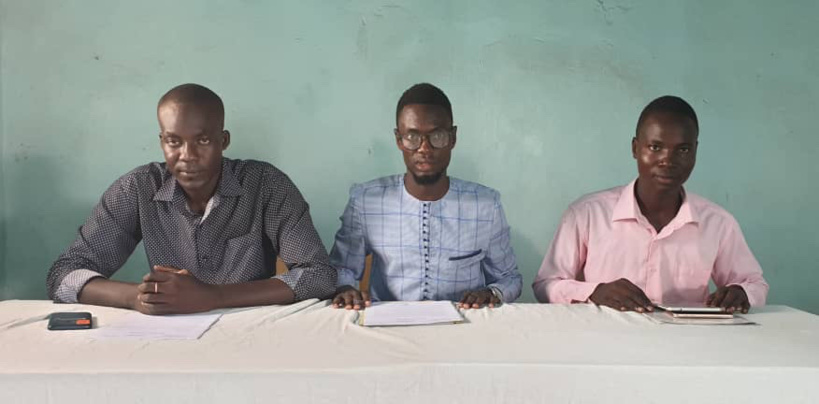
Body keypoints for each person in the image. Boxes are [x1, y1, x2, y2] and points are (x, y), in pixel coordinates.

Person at [47, 83, 336, 314]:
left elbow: (319, 275)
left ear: (223, 141)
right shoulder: (137, 189)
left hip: (249, 329)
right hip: (169, 338)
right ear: (162, 141)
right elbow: (63, 276)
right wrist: (138, 297)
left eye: (203, 140)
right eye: (174, 141)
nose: (187, 156)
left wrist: (213, 296)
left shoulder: (265, 185)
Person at [532, 95, 768, 313]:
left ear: (695, 152)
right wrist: (593, 292)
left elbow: (754, 283)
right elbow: (546, 285)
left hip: (687, 347)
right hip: (606, 344)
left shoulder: (718, 223)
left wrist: (741, 293)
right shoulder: (587, 214)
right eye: (655, 147)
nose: (668, 161)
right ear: (636, 148)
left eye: (683, 150)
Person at [330, 83, 522, 310]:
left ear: (453, 138)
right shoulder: (365, 200)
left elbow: (510, 278)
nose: (424, 148)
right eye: (412, 136)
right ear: (398, 139)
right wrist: (345, 289)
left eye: (437, 136)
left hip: (464, 328)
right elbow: (343, 269)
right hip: (389, 328)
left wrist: (492, 293)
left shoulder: (486, 205)